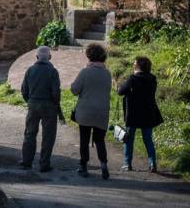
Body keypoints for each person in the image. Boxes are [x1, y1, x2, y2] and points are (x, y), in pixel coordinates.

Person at [70, 43, 112, 179]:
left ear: (89, 56)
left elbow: (74, 90)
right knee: (100, 140)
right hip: (102, 111)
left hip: (85, 111)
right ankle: (104, 165)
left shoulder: (85, 72)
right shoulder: (107, 74)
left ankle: (83, 166)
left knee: (84, 139)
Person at [118, 56, 163, 173]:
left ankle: (127, 163)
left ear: (138, 66)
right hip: (148, 112)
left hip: (133, 113)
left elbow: (121, 91)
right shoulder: (152, 79)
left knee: (128, 139)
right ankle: (152, 163)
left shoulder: (132, 78)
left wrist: (124, 86)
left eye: (134, 63)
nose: (133, 64)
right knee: (148, 139)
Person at [20, 45, 61, 172]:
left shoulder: (30, 70)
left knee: (30, 133)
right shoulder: (53, 71)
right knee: (48, 135)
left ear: (37, 57)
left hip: (33, 104)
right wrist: (56, 105)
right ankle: (44, 164)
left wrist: (30, 101)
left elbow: (24, 90)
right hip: (49, 105)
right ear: (49, 57)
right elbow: (56, 92)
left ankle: (27, 161)